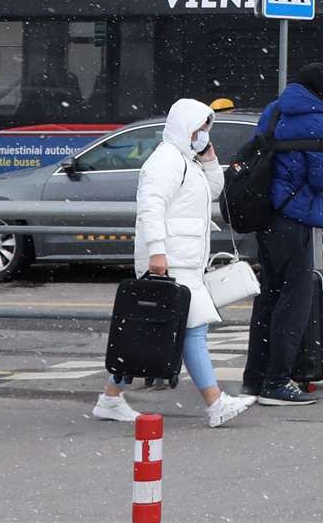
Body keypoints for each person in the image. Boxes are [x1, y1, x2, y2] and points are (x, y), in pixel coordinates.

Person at [94, 99, 249, 427]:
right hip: (172, 260)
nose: (204, 135)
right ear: (185, 128)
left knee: (151, 333)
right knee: (192, 331)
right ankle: (215, 402)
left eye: (207, 130)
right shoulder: (166, 161)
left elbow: (213, 190)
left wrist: (209, 159)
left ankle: (110, 398)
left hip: (183, 259)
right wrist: (157, 252)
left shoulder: (184, 159)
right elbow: (150, 206)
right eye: (201, 129)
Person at [240, 63, 323, 406]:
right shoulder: (318, 117)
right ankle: (278, 382)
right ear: (322, 88)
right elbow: (322, 177)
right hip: (294, 218)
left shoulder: (275, 109)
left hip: (266, 215)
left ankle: (254, 378)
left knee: (268, 298)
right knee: (294, 302)